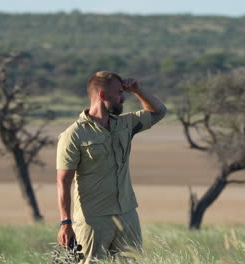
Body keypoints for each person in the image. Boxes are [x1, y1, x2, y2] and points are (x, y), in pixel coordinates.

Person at [56, 71, 167, 263]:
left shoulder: (125, 124)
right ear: (102, 95)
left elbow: (159, 112)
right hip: (93, 219)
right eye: (119, 93)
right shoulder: (73, 135)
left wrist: (138, 90)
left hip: (127, 213)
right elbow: (63, 181)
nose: (124, 97)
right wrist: (66, 223)